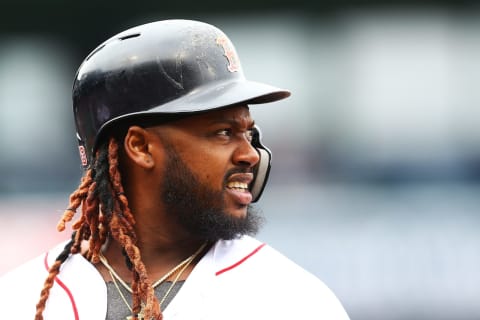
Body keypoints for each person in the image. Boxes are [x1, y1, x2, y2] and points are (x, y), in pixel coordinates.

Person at [0, 19, 350, 320]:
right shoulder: (21, 301)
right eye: (223, 132)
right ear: (140, 147)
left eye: (249, 133)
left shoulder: (289, 301)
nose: (251, 155)